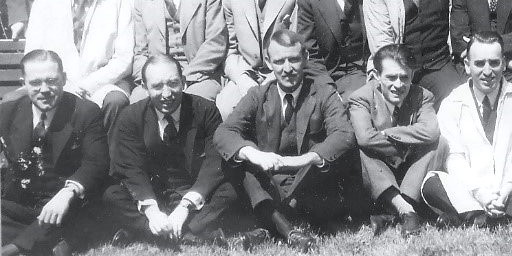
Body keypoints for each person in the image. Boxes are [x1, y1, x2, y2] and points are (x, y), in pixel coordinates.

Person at [214, 30, 356, 251]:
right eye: (279, 61)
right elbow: (224, 132)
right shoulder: (258, 95)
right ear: (269, 62)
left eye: (294, 59)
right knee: (238, 160)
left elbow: (344, 134)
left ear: (306, 58)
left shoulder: (323, 93)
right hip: (270, 183)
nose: (287, 68)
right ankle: (289, 231)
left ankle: (269, 227)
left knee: (327, 162)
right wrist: (255, 154)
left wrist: (307, 158)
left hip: (307, 180)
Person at [421, 32, 512, 226]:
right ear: (467, 65)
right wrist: (481, 194)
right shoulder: (451, 104)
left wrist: (506, 191)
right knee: (431, 182)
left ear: (504, 64)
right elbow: (454, 159)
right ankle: (497, 215)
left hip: (510, 191)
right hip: (471, 191)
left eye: (494, 63)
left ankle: (474, 217)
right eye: (479, 63)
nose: (487, 71)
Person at [103, 55, 235, 247]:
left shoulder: (206, 110)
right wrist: (152, 212)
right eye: (157, 86)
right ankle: (183, 230)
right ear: (145, 87)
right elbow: (131, 169)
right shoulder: (130, 117)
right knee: (111, 194)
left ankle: (149, 231)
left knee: (231, 190)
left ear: (183, 82)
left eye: (173, 84)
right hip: (153, 194)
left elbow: (214, 160)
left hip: (192, 192)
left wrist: (185, 206)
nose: (166, 94)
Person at [24, 0, 133, 136]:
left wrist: (87, 85)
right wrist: (60, 84)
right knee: (14, 104)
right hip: (55, 85)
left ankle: (105, 155)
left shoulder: (118, 1)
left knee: (115, 101)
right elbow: (33, 55)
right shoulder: (45, 2)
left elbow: (124, 59)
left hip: (104, 85)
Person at [0, 50, 108, 256]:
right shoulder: (6, 112)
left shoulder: (85, 112)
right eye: (35, 83)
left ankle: (11, 250)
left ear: (64, 79)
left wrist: (67, 193)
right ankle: (45, 241)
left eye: (51, 81)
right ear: (24, 83)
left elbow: (96, 162)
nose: (44, 90)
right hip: (19, 204)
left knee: (75, 215)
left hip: (62, 203)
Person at [347, 44, 440, 237]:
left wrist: (387, 134)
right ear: (376, 75)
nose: (398, 85)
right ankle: (407, 211)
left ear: (412, 75)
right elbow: (365, 137)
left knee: (440, 144)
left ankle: (396, 213)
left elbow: (431, 132)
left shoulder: (422, 96)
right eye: (391, 77)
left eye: (404, 77)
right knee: (361, 148)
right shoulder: (360, 98)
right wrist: (409, 143)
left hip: (411, 172)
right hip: (379, 172)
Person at [219, 0, 305, 118]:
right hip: (246, 73)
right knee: (225, 107)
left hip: (284, 72)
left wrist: (274, 77)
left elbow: (298, 47)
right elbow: (230, 50)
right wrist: (242, 80)